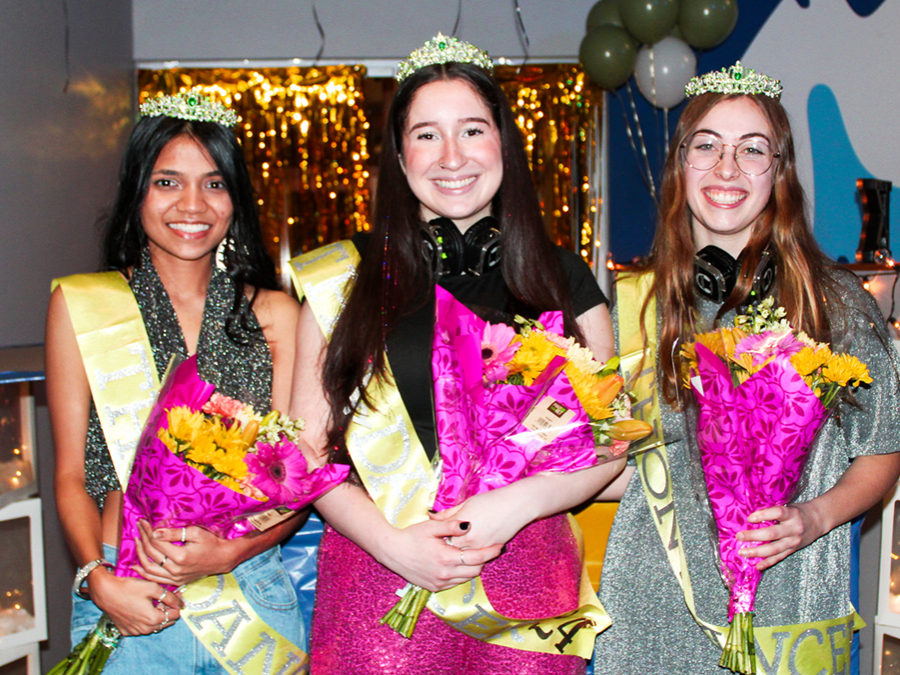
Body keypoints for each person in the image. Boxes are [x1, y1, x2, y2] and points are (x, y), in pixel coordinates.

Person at [289, 34, 624, 674]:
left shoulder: (563, 279)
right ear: (399, 154)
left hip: (525, 585)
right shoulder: (343, 278)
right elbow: (307, 448)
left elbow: (608, 443)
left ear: (503, 142)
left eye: (472, 130)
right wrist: (392, 544)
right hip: (379, 580)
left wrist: (517, 504)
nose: (451, 157)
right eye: (425, 135)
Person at [592, 63, 900, 674]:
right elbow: (610, 467)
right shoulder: (637, 305)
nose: (726, 168)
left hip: (787, 602)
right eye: (706, 146)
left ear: (779, 173)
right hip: (648, 611)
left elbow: (881, 452)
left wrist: (813, 517)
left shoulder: (835, 303)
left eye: (751, 149)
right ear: (681, 164)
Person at [46, 90, 306, 672]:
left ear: (235, 199)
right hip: (124, 593)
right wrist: (96, 579)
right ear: (136, 191)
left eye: (214, 183)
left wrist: (231, 550)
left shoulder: (277, 315)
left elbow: (297, 478)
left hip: (249, 593)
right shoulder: (83, 306)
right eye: (168, 182)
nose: (193, 203)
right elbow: (67, 474)